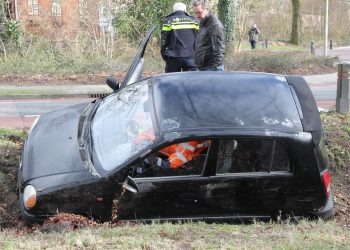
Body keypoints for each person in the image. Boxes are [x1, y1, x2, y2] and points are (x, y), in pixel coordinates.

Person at [161, 2, 199, 72]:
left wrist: (164, 54)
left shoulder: (169, 21)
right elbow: (199, 39)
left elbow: (164, 40)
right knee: (190, 81)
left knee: (172, 81)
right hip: (190, 57)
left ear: (174, 11)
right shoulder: (194, 21)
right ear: (185, 10)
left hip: (173, 57)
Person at [191, 0, 225, 71]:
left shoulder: (214, 25)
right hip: (203, 66)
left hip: (211, 68)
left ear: (206, 9)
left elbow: (219, 51)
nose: (197, 16)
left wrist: (215, 70)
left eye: (199, 12)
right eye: (195, 13)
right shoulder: (203, 22)